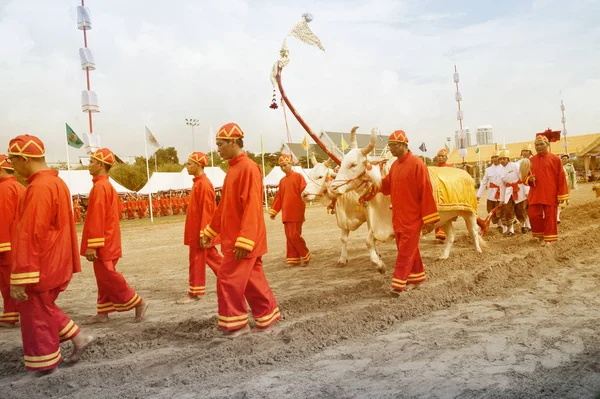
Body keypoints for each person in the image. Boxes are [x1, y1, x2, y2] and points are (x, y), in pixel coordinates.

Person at [7, 134, 93, 383]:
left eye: (14, 160)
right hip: (54, 259)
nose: (14, 167)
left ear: (24, 159)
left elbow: (31, 233)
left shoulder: (39, 187)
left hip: (42, 262)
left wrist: (20, 275)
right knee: (43, 307)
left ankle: (45, 369)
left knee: (35, 311)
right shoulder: (55, 183)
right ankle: (79, 338)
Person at [201, 122, 280, 338]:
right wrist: (210, 231)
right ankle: (267, 317)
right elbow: (224, 208)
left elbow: (253, 207)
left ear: (233, 142)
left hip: (243, 239)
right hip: (237, 238)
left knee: (227, 278)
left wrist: (245, 241)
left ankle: (237, 324)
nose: (218, 149)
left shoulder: (249, 168)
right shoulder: (233, 169)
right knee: (253, 280)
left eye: (220, 144)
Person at [81, 148, 148, 324]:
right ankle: (103, 312)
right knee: (103, 277)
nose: (88, 165)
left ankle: (138, 302)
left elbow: (97, 218)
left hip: (103, 242)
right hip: (109, 239)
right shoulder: (106, 186)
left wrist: (93, 244)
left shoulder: (101, 187)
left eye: (91, 162)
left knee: (109, 276)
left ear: (101, 165)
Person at [380, 130, 440, 294]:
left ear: (404, 145)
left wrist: (429, 220)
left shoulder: (417, 164)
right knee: (408, 250)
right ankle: (417, 277)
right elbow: (385, 186)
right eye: (390, 146)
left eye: (394, 146)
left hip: (412, 218)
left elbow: (426, 192)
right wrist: (368, 179)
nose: (391, 149)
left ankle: (398, 286)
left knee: (405, 253)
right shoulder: (394, 165)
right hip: (398, 217)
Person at [177, 152, 222, 304]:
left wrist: (205, 233)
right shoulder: (198, 183)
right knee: (215, 260)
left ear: (198, 165)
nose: (187, 166)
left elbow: (208, 211)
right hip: (197, 231)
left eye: (189, 164)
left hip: (200, 233)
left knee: (198, 261)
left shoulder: (203, 184)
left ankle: (194, 292)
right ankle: (234, 279)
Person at [524, 135, 569, 245]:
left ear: (547, 145)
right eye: (536, 145)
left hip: (550, 192)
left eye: (541, 144)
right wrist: (529, 179)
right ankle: (540, 235)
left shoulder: (555, 159)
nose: (539, 147)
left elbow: (561, 178)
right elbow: (524, 177)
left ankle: (549, 239)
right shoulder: (530, 161)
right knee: (533, 215)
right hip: (536, 192)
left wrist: (562, 194)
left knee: (550, 216)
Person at [269, 154, 311, 266]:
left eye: (285, 165)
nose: (283, 168)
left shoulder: (299, 177)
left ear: (291, 164)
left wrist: (307, 195)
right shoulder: (282, 181)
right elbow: (279, 198)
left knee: (294, 235)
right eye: (281, 166)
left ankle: (305, 255)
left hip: (297, 211)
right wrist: (274, 211)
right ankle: (293, 259)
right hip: (286, 213)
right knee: (289, 237)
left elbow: (304, 191)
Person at [0, 154, 25, 328]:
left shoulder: (4, 189)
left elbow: (3, 219)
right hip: (21, 243)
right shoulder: (20, 187)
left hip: (8, 243)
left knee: (7, 281)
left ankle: (10, 316)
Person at [498, 150, 528, 236]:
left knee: (521, 209)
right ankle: (510, 230)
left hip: (519, 190)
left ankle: (523, 225)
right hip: (508, 192)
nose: (502, 161)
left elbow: (523, 178)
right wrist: (501, 199)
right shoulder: (500, 171)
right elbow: (502, 186)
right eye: (500, 159)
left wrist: (526, 191)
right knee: (508, 210)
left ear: (508, 159)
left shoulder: (515, 166)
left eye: (504, 159)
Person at [476, 152, 503, 231]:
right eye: (493, 157)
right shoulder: (488, 170)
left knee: (503, 210)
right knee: (491, 210)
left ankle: (505, 225)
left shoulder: (504, 167)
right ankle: (499, 224)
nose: (494, 159)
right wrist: (479, 195)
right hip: (492, 193)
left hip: (502, 192)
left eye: (496, 157)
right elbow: (484, 183)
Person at [433, 148, 453, 241]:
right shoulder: (434, 169)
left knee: (446, 213)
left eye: (442, 156)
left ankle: (446, 232)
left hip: (446, 192)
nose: (440, 158)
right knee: (437, 213)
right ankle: (438, 232)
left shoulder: (451, 168)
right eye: (439, 156)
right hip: (436, 193)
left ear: (446, 158)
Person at [558, 154, 577, 224]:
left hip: (567, 182)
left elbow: (572, 175)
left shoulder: (570, 166)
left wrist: (573, 183)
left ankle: (566, 202)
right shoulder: (559, 165)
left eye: (566, 158)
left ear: (568, 159)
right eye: (563, 159)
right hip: (560, 183)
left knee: (566, 194)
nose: (564, 160)